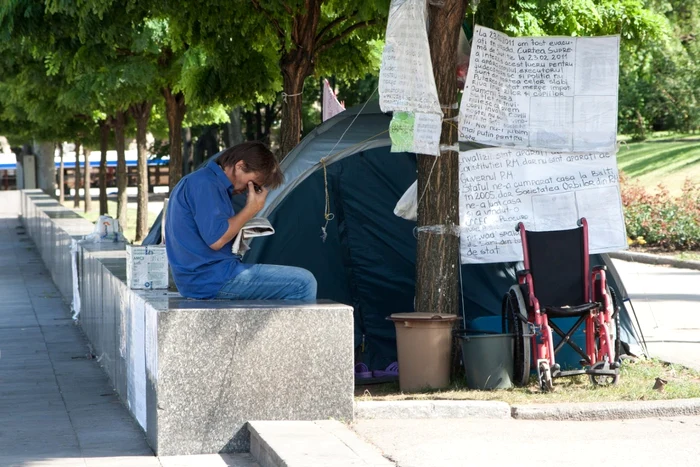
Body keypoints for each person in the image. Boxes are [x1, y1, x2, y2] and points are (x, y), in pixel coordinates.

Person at [164, 141, 317, 301]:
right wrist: (250, 210)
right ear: (240, 166)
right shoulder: (205, 184)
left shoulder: (205, 182)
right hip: (210, 279)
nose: (248, 189)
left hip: (208, 276)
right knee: (303, 283)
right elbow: (217, 239)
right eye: (253, 183)